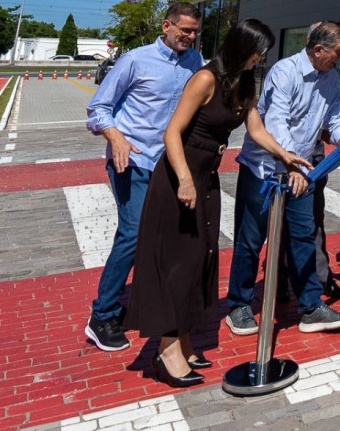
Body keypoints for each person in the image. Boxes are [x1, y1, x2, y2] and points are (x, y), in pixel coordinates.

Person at [124, 20, 310, 388]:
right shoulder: (205, 79)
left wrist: (285, 154)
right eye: (260, 49)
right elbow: (172, 132)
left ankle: (186, 340)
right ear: (242, 45)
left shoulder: (243, 82)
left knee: (201, 260)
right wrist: (185, 180)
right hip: (180, 178)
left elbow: (256, 130)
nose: (263, 57)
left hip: (206, 179)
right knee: (179, 262)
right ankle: (166, 349)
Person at [83, 2, 203, 352]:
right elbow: (98, 109)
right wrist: (116, 137)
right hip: (132, 161)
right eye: (184, 30)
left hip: (169, 164)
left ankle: (149, 304)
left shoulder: (195, 63)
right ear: (166, 25)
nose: (190, 37)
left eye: (195, 31)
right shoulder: (135, 60)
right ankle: (102, 314)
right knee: (133, 233)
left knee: (164, 238)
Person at [225, 22, 340, 335]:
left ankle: (310, 306)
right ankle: (238, 305)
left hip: (303, 171)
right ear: (319, 50)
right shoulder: (285, 72)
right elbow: (277, 122)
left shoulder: (331, 76)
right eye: (338, 52)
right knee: (251, 239)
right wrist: (291, 165)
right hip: (265, 169)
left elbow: (335, 115)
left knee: (303, 236)